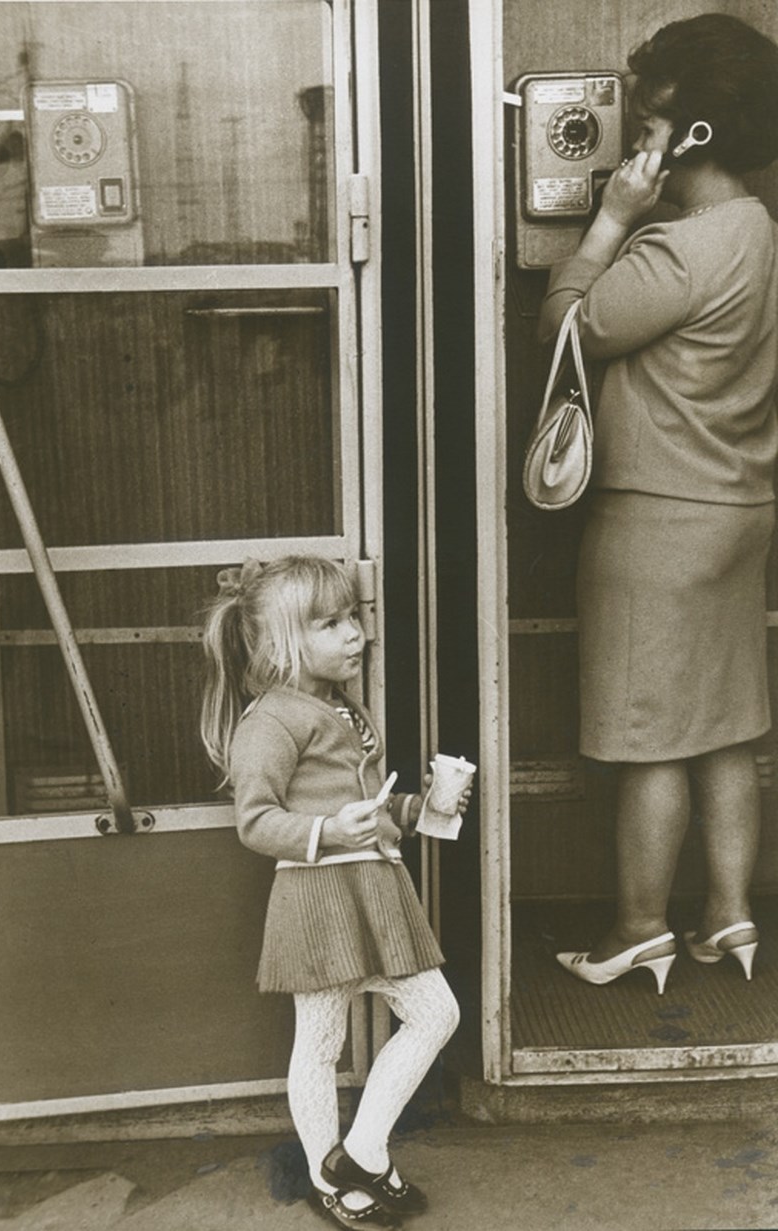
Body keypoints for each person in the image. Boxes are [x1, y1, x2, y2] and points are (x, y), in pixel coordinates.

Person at [538, 14, 778, 993]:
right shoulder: (757, 230)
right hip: (735, 507)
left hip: (656, 520)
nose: (631, 134)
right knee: (722, 727)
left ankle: (637, 926)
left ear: (693, 136)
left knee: (645, 738)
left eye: (645, 118)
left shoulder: (677, 252)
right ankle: (726, 914)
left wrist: (603, 223)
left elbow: (566, 333)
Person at [200, 555, 465, 1230]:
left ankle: (363, 1153)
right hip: (317, 894)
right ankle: (331, 1172)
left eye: (355, 617)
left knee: (436, 1012)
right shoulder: (270, 720)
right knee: (319, 1042)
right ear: (286, 641)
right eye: (331, 622)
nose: (355, 633)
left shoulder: (340, 704)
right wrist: (325, 829)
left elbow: (361, 804)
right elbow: (255, 820)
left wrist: (419, 806)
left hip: (371, 886)